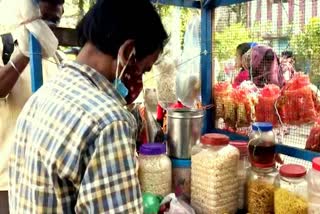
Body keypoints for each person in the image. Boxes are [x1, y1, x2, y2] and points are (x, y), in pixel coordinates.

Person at [9, 0, 168, 213]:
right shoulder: (109, 122)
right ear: (128, 51)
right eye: (144, 69)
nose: (141, 79)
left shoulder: (40, 98)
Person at [0, 0, 64, 212]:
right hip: (7, 185)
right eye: (44, 20)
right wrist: (27, 52)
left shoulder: (59, 60)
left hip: (45, 183)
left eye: (55, 20)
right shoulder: (4, 49)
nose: (49, 26)